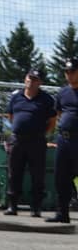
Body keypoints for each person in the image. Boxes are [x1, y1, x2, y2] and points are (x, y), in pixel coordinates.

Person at [4, 68, 56, 217]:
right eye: (29, 78)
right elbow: (10, 116)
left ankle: (36, 207)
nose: (31, 82)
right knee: (14, 173)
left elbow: (52, 122)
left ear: (40, 82)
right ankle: (12, 206)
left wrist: (41, 134)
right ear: (25, 79)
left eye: (35, 79)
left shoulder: (46, 99)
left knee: (37, 174)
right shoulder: (16, 97)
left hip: (37, 141)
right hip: (17, 140)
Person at [46, 58, 78, 223]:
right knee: (61, 177)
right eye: (67, 72)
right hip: (64, 140)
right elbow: (58, 114)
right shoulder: (63, 92)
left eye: (72, 71)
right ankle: (62, 213)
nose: (69, 75)